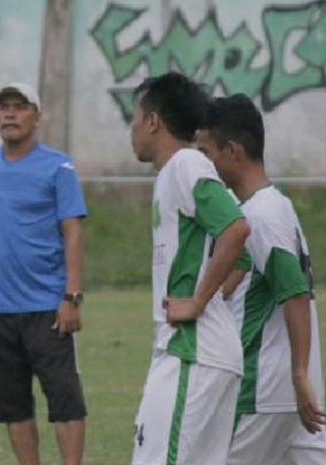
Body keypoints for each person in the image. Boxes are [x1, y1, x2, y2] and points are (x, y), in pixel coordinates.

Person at [195, 94, 326, 465]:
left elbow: (293, 292)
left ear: (232, 150)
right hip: (286, 393)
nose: (203, 164)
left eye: (206, 152)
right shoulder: (270, 206)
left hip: (264, 389)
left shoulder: (263, 216)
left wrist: (298, 372)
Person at [0, 82, 88, 465]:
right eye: (3, 108)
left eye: (20, 106)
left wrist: (71, 297)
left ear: (36, 116)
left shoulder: (57, 166)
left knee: (66, 403)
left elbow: (74, 232)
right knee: (12, 406)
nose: (10, 114)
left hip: (48, 308)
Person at [129, 72, 250, 465]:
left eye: (134, 118)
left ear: (152, 122)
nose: (131, 129)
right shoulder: (177, 172)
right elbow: (240, 261)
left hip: (192, 352)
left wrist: (198, 303)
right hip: (200, 351)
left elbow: (236, 228)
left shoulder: (185, 164)